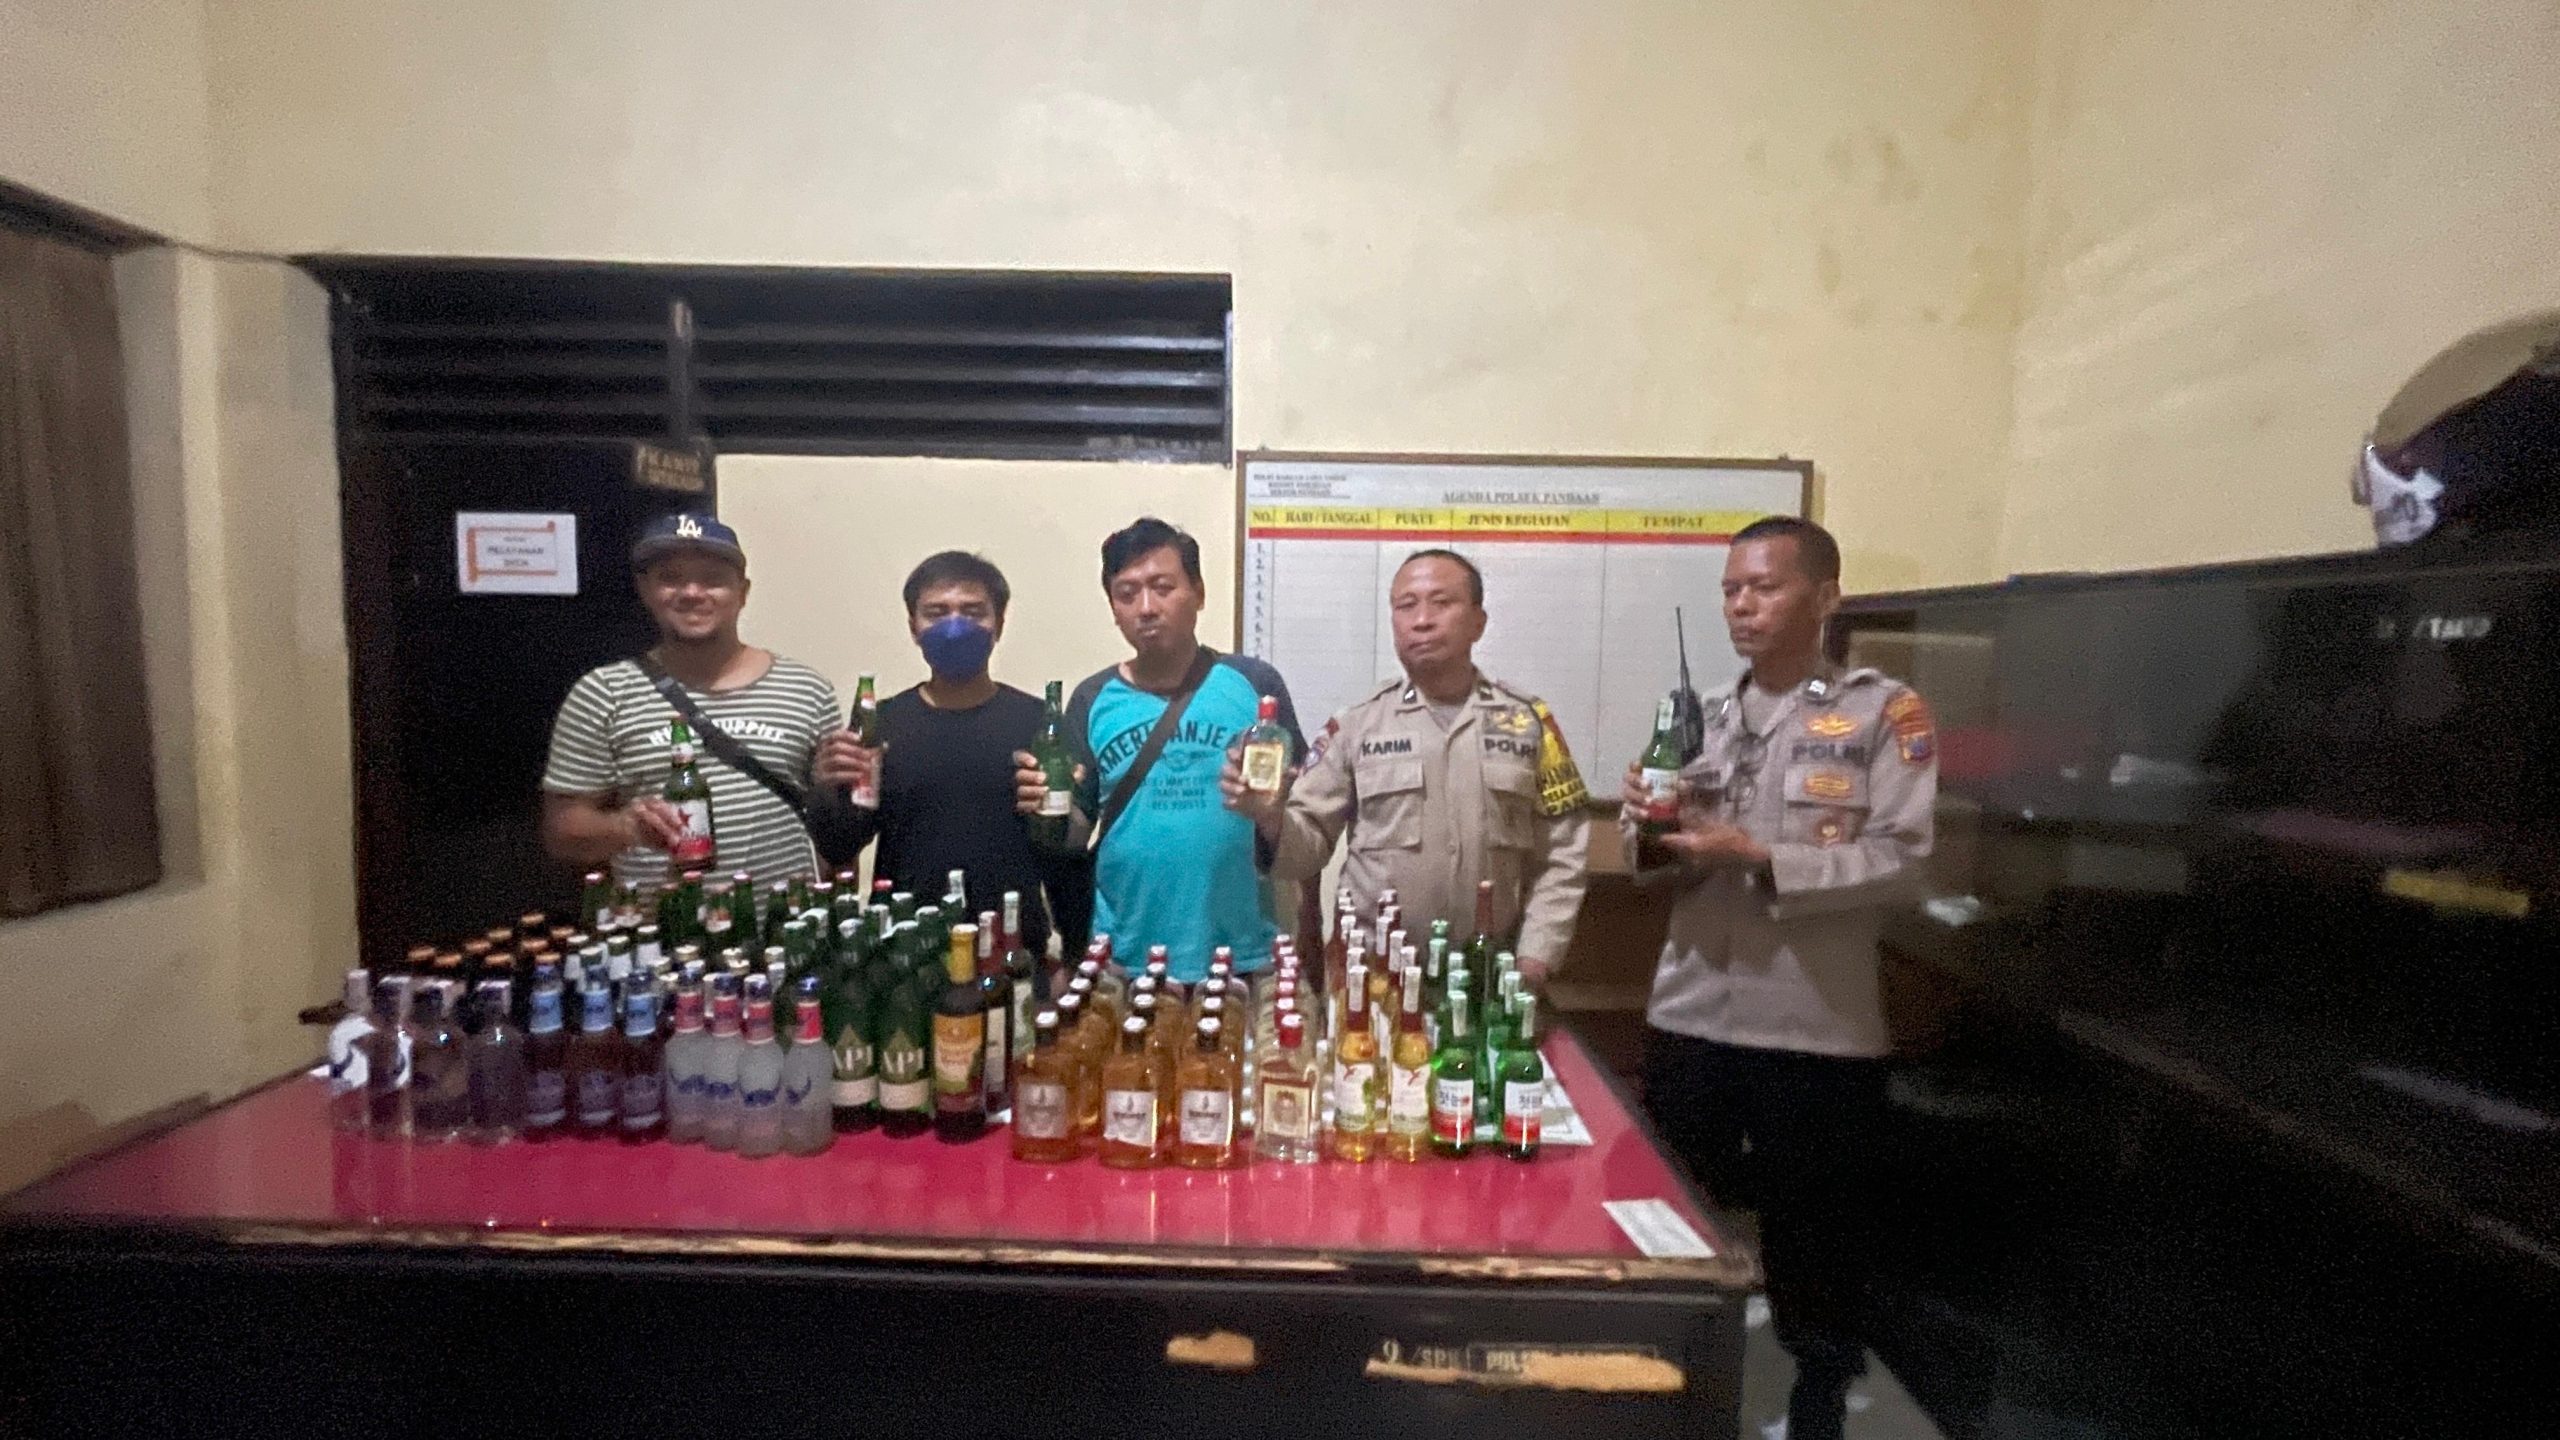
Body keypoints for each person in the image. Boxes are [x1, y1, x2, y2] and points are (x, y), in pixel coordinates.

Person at [1622, 514, 1935, 1440]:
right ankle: (1660, 1385)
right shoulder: (1702, 716)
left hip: (1813, 1026)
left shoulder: (1885, 713)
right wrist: (1649, 826)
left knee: (1815, 1236)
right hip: (1692, 1010)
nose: (1742, 606)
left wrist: (1761, 856)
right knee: (1670, 1214)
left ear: (1825, 596)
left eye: (1764, 587)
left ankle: (1819, 1396)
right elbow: (1655, 860)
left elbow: (1905, 860)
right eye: (1731, 590)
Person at [1224, 549, 1591, 983]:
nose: (1422, 621)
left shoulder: (1529, 723)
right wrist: (1270, 818)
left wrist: (1536, 957)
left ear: (1478, 622)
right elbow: (1304, 849)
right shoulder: (1357, 725)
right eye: (1406, 606)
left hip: (1490, 977)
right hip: (1373, 980)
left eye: (1441, 603)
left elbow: (1564, 854)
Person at [1013, 517, 1303, 983]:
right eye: (1127, 594)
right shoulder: (1092, 698)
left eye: (1163, 588)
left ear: (1199, 593)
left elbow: (1300, 819)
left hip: (1245, 953)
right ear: (1113, 608)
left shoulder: (1255, 684)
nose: (1146, 608)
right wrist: (1043, 805)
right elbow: (1075, 833)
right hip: (1126, 957)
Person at [805, 550, 1081, 958]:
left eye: (973, 612)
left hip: (1013, 947)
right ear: (913, 628)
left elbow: (1065, 852)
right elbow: (839, 845)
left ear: (999, 624)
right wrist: (826, 787)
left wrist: (1057, 807)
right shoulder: (883, 725)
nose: (955, 627)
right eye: (936, 613)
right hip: (906, 950)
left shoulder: (1040, 724)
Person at [541, 513, 841, 887]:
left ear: (742, 592)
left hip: (786, 919)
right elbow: (561, 832)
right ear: (645, 589)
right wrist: (625, 827)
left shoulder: (807, 689)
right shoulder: (602, 693)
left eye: (713, 579)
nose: (692, 593)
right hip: (664, 920)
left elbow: (839, 829)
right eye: (671, 578)